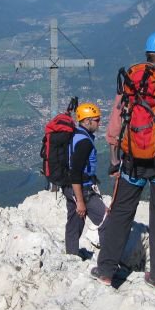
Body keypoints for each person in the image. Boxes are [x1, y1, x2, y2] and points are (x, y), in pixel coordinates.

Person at [91, 31, 155, 293]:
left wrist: (115, 161)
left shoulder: (130, 83)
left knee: (121, 212)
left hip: (133, 162)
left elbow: (116, 125)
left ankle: (106, 271)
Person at [63, 102, 108, 258]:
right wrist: (81, 201)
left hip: (69, 187)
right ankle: (107, 262)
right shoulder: (84, 142)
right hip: (82, 189)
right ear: (87, 121)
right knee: (106, 221)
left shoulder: (76, 135)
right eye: (96, 120)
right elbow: (76, 172)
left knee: (75, 222)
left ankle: (71, 255)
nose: (99, 122)